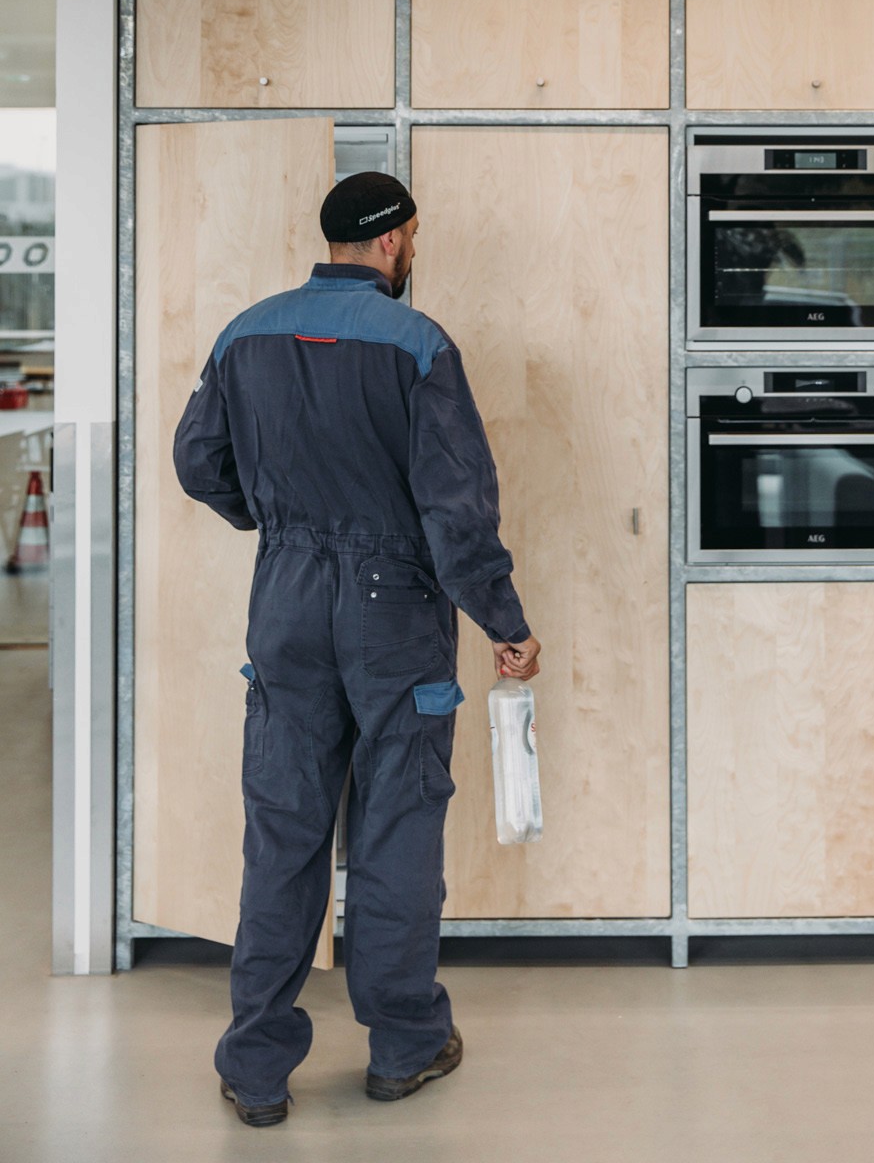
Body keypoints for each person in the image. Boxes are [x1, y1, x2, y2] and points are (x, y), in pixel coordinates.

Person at [173, 170, 541, 1127]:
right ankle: (404, 1047)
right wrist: (505, 622)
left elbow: (195, 460)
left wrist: (277, 523)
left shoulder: (246, 331)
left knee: (284, 829)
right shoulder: (419, 345)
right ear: (394, 240)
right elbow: (457, 513)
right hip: (394, 609)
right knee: (396, 830)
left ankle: (255, 1066)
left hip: (287, 600)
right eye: (412, 238)